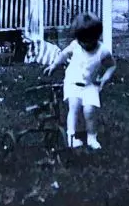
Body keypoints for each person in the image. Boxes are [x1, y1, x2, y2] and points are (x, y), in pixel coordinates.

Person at [48, 12, 115, 150]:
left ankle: (92, 137)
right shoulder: (75, 45)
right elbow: (63, 54)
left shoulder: (102, 50)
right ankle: (71, 136)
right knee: (74, 105)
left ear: (96, 37)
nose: (83, 44)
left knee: (89, 111)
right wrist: (55, 65)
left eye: (87, 40)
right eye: (81, 40)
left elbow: (112, 65)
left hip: (90, 85)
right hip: (72, 82)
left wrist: (104, 78)